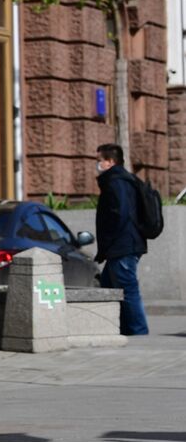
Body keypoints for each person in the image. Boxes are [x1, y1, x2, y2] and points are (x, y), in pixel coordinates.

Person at [94, 142, 149, 336]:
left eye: (99, 160)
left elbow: (120, 214)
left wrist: (108, 243)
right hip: (122, 246)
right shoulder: (120, 180)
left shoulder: (117, 182)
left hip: (123, 246)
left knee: (127, 290)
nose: (97, 164)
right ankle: (120, 329)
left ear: (110, 162)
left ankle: (139, 332)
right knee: (108, 286)